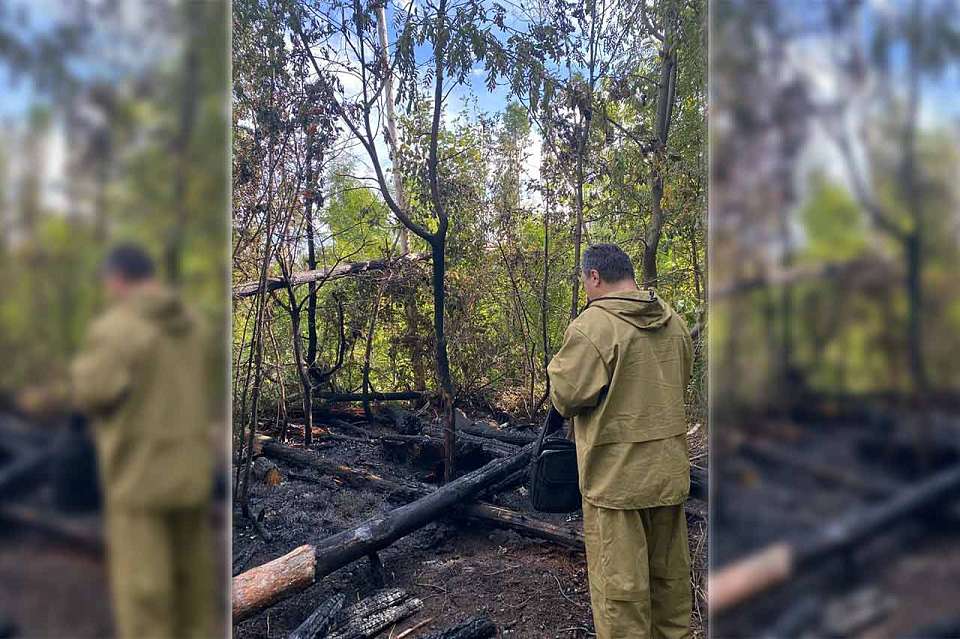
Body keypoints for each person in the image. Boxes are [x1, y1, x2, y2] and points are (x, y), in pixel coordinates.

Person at [70, 243, 217, 639]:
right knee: (195, 599)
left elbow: (91, 393)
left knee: (146, 605)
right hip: (191, 476)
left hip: (140, 484)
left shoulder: (116, 331)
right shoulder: (193, 324)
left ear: (118, 279)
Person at [548, 243, 693, 639]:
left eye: (584, 280)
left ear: (594, 276)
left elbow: (566, 396)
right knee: (671, 593)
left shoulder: (593, 327)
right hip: (668, 475)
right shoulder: (673, 321)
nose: (585, 287)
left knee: (621, 603)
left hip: (616, 485)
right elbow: (680, 378)